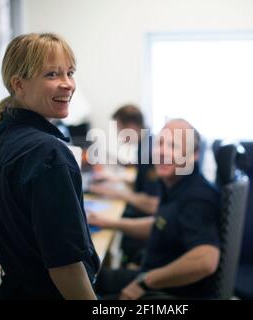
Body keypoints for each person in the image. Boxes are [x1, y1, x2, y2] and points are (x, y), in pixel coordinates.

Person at [0, 33, 99, 300]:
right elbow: (65, 267)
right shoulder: (49, 153)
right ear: (19, 84)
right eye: (52, 74)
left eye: (70, 73)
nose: (68, 84)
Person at [88, 119, 221, 299]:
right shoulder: (174, 183)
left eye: (173, 146)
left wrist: (145, 282)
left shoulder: (197, 196)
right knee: (90, 276)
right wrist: (108, 222)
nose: (162, 152)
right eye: (160, 143)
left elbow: (206, 260)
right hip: (155, 279)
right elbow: (160, 224)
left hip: (170, 293)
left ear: (194, 154)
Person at [90, 105, 161, 266]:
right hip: (145, 218)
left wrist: (117, 193)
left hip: (148, 224)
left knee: (103, 228)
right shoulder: (146, 143)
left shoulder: (150, 152)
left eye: (119, 129)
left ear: (130, 126)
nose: (120, 136)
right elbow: (143, 184)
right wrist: (116, 180)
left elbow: (153, 204)